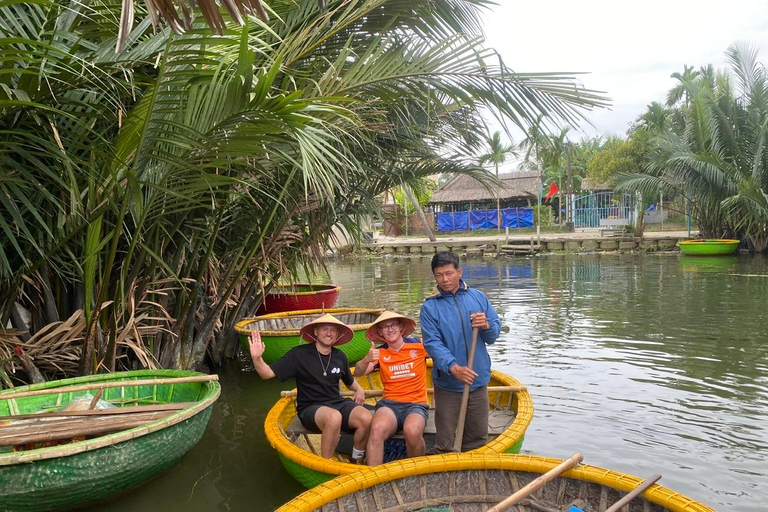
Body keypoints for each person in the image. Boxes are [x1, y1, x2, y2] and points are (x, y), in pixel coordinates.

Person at [249, 313, 371, 462]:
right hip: (310, 407)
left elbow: (349, 381)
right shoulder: (298, 354)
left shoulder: (340, 356)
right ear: (315, 332)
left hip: (336, 402)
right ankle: (326, 463)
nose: (329, 333)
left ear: (337, 335)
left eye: (333, 330)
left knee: (366, 418)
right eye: (325, 329)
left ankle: (356, 458)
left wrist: (359, 389)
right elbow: (266, 373)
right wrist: (257, 358)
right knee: (334, 417)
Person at [419, 251, 501, 453]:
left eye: (449, 273)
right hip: (449, 384)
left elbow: (493, 335)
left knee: (476, 439)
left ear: (459, 272)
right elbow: (432, 344)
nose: (445, 279)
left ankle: (470, 478)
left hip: (477, 379)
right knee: (446, 442)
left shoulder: (478, 297)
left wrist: (486, 326)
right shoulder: (430, 307)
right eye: (439, 275)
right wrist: (453, 367)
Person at [354, 311, 429, 465]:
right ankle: (374, 479)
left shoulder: (419, 345)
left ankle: (418, 474)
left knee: (412, 431)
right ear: (380, 332)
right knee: (376, 429)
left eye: (393, 324)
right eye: (385, 327)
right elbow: (359, 373)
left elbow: (443, 354)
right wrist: (366, 359)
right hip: (390, 405)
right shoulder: (380, 352)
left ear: (401, 327)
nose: (390, 329)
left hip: (416, 404)